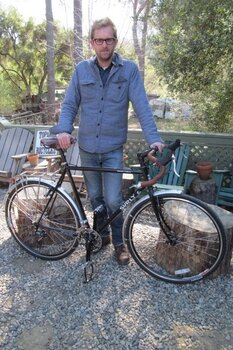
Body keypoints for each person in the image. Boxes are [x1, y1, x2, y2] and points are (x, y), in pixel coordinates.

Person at [50, 17, 164, 265]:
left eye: (109, 40)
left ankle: (120, 243)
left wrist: (154, 139)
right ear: (92, 43)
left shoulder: (129, 70)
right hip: (87, 146)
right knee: (95, 197)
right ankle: (101, 237)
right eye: (99, 40)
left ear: (115, 41)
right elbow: (70, 104)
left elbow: (142, 106)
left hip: (113, 148)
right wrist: (63, 130)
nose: (104, 45)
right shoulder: (81, 70)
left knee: (113, 199)